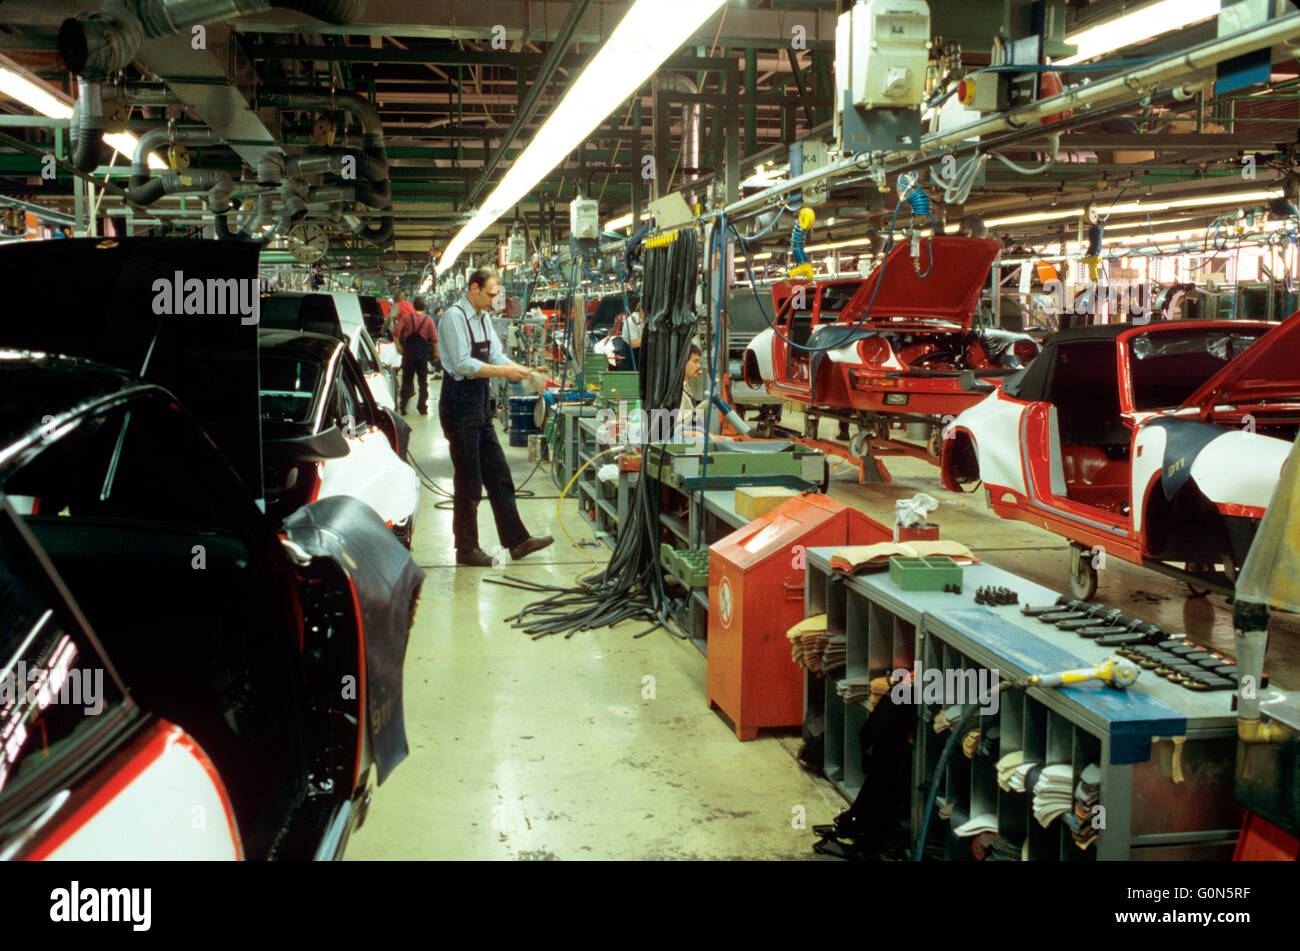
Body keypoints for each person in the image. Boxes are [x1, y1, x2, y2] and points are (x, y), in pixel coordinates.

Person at [439, 266, 554, 567]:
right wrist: (505, 372)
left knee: (500, 475)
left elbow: (495, 355)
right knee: (469, 481)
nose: (493, 300)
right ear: (474, 288)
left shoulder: (484, 318)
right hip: (458, 405)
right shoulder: (455, 317)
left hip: (478, 405)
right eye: (490, 294)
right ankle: (466, 549)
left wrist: (525, 371)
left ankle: (516, 541)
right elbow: (464, 364)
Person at [395, 295, 438, 416]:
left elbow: (396, 331)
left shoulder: (406, 318)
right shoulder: (428, 320)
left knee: (407, 381)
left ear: (413, 306)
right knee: (423, 382)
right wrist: (436, 352)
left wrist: (398, 346)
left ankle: (403, 406)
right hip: (422, 355)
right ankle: (422, 407)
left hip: (408, 353)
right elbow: (435, 338)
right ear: (424, 307)